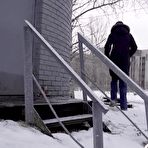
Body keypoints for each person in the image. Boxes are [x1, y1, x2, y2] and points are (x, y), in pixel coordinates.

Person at [104, 21, 137, 110]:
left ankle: (113, 102)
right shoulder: (129, 35)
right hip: (125, 61)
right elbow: (135, 47)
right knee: (123, 82)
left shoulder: (113, 34)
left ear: (115, 26)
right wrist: (128, 55)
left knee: (114, 80)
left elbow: (107, 46)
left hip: (114, 60)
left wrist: (108, 58)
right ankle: (124, 106)